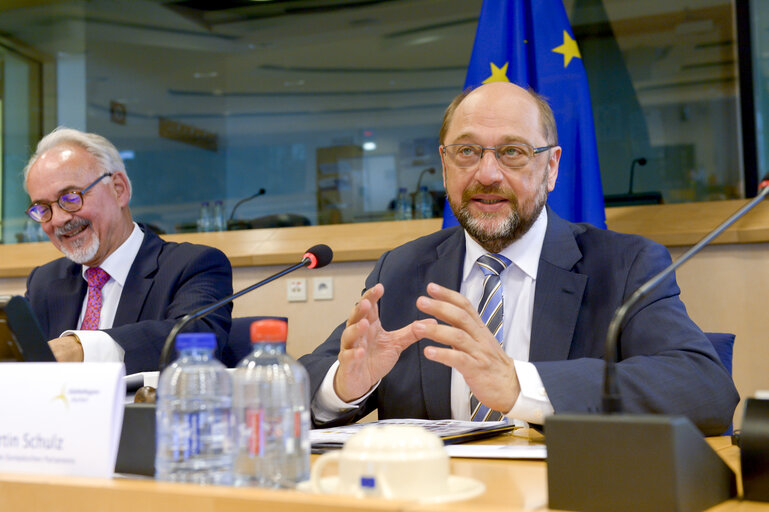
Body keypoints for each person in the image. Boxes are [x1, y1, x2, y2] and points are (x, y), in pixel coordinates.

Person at [299, 82, 738, 436]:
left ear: (550, 168)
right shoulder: (402, 269)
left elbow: (704, 388)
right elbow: (300, 389)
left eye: (512, 152)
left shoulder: (625, 265)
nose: (487, 175)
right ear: (445, 165)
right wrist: (344, 386)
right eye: (467, 152)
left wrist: (520, 385)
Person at [23, 127, 233, 374]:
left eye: (70, 198)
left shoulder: (193, 265)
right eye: (42, 208)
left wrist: (81, 348)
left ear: (119, 189)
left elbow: (197, 341)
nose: (57, 220)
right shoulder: (44, 282)